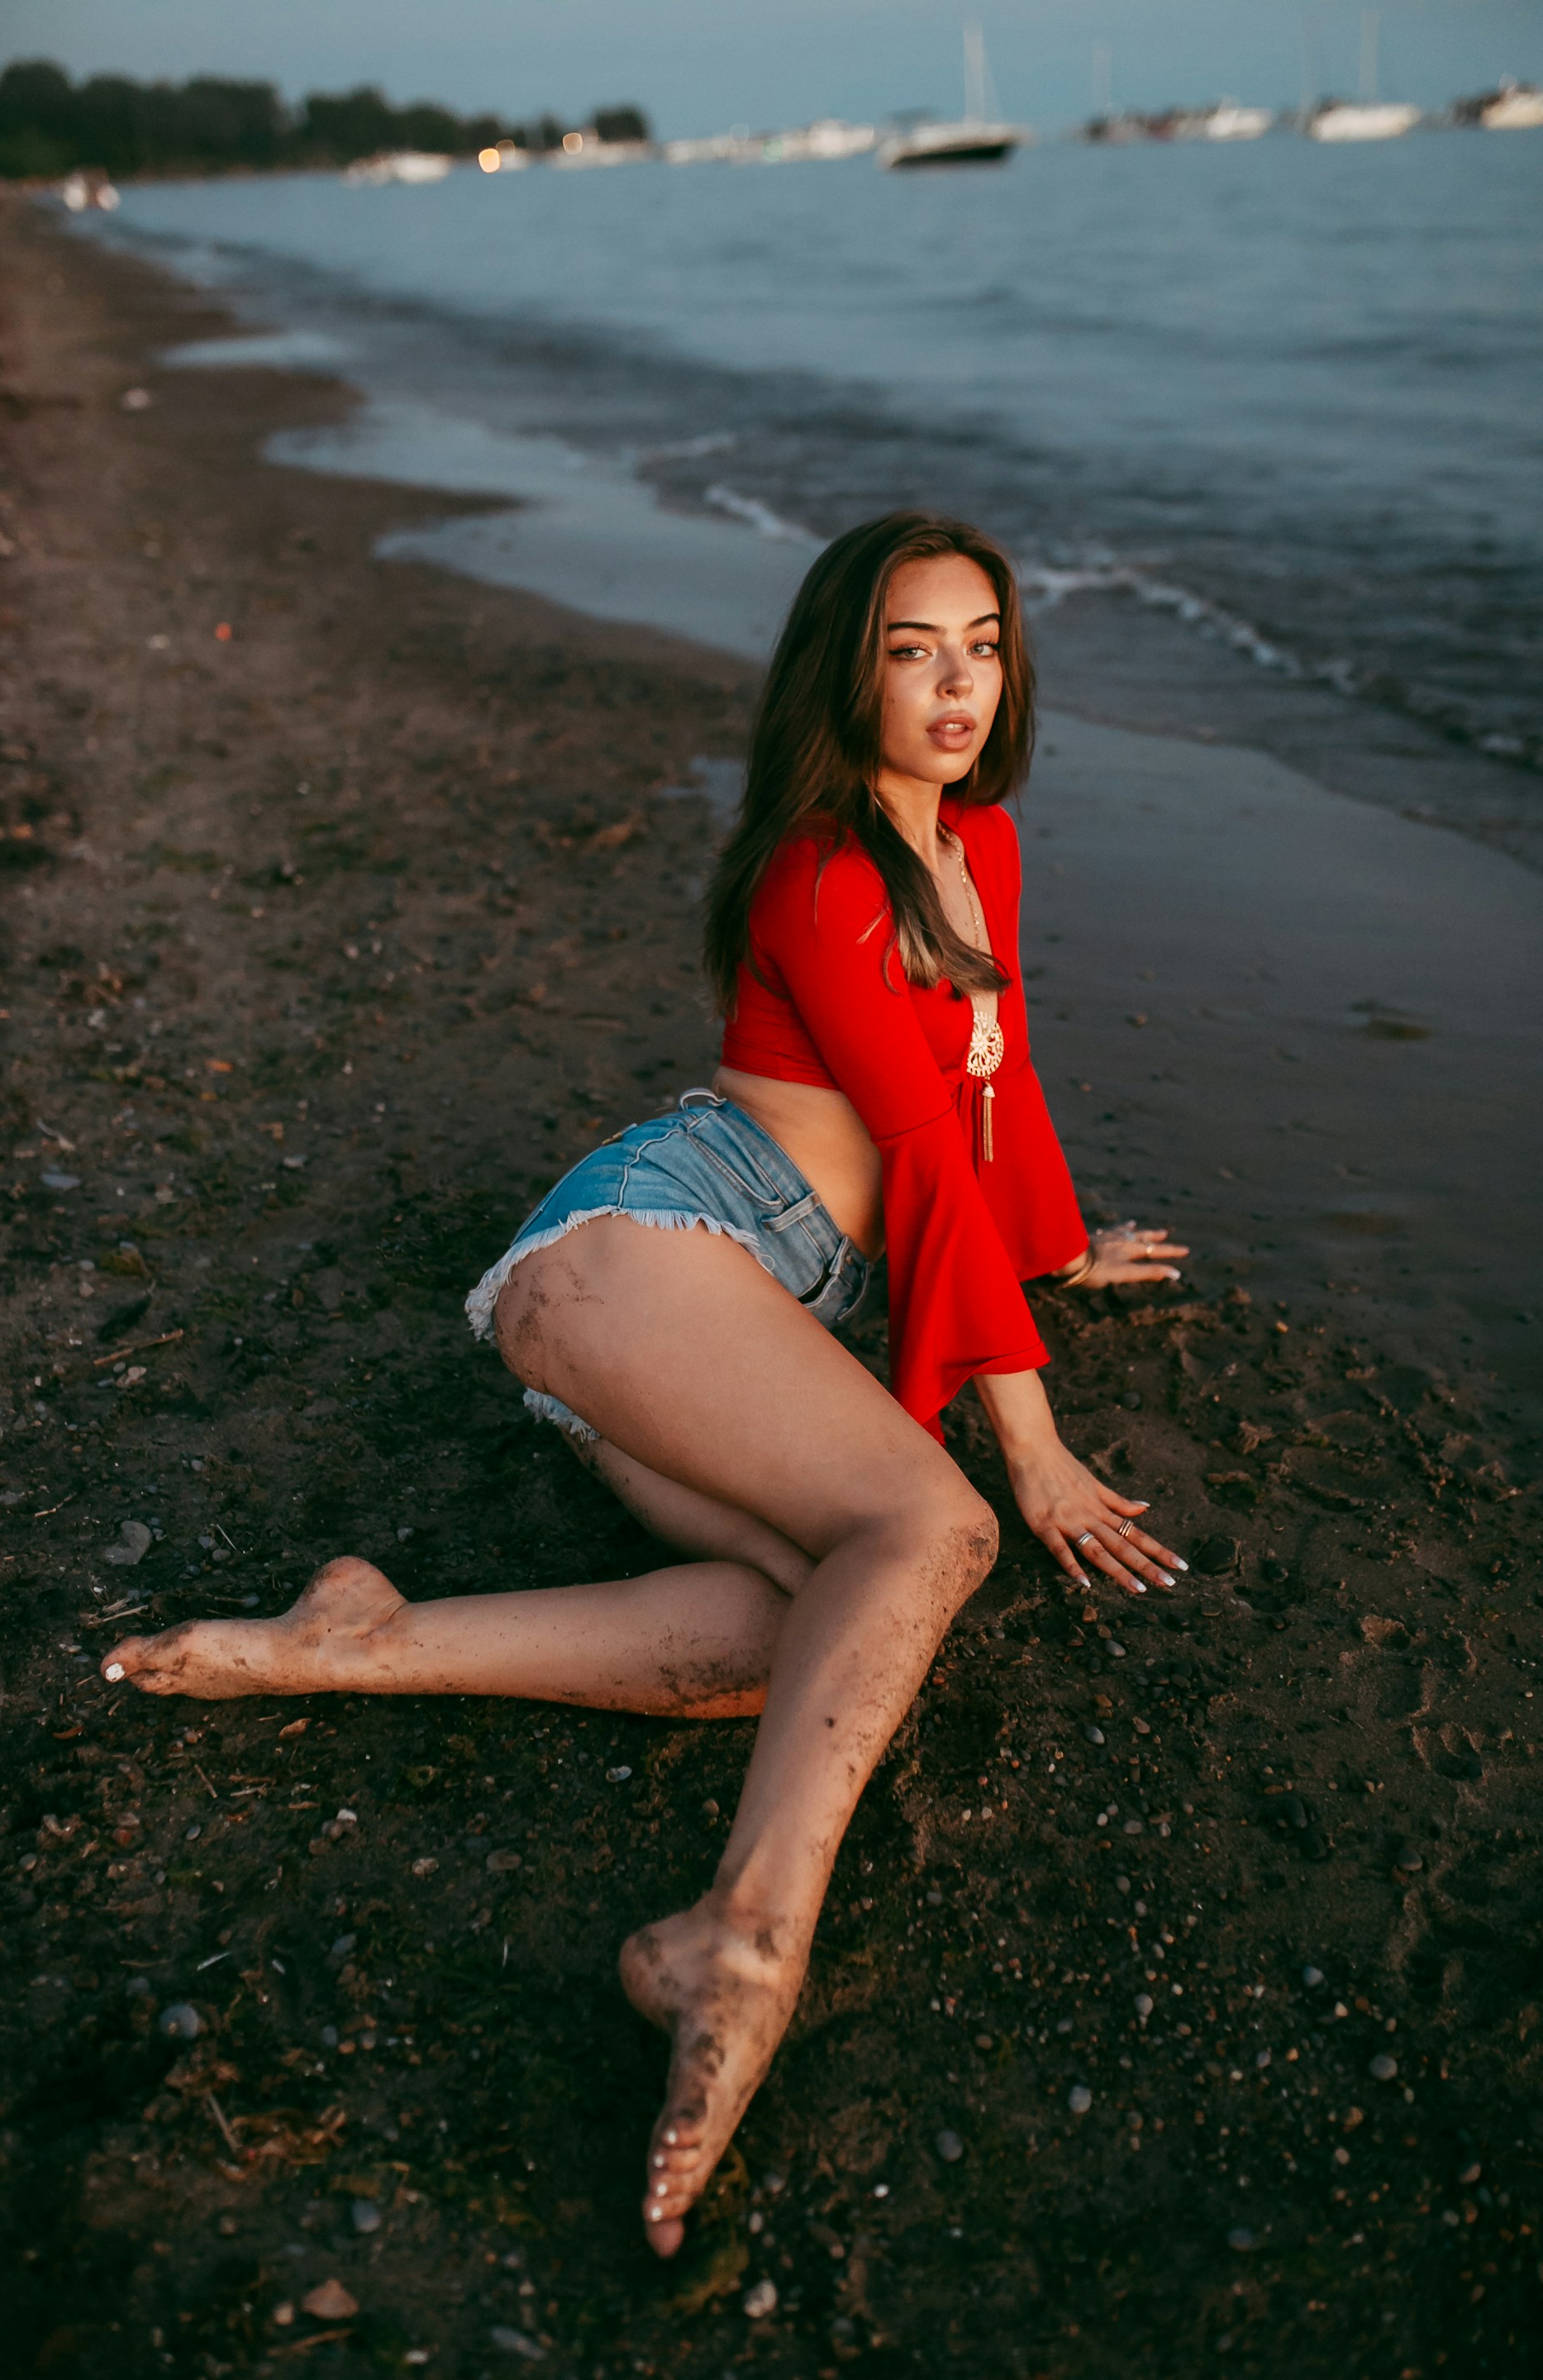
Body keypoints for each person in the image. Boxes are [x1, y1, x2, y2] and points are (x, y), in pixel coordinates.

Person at [100, 512, 1189, 2255]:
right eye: (914, 647)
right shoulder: (824, 871)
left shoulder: (973, 845)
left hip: (721, 1304)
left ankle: (356, 1641)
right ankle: (747, 1938)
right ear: (851, 671)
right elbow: (913, 1153)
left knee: (786, 1642)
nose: (958, 681)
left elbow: (996, 1083)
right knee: (937, 1532)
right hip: (648, 1246)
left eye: (982, 640)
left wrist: (1053, 1253)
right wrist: (1035, 1447)